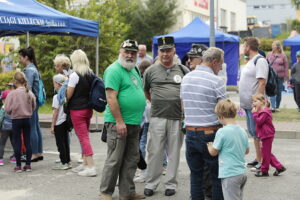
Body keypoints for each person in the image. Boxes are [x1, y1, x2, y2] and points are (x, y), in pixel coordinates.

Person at [100, 39, 146, 200]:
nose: (129, 55)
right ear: (120, 52)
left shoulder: (134, 69)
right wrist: (119, 121)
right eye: (126, 52)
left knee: (131, 159)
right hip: (118, 122)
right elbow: (111, 98)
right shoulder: (113, 70)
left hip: (134, 122)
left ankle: (127, 193)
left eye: (133, 52)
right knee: (115, 159)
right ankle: (106, 192)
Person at [143, 36, 189, 197]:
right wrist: (156, 101)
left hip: (177, 118)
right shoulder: (150, 71)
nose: (165, 54)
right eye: (162, 50)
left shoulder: (183, 70)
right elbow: (146, 91)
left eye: (168, 50)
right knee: (155, 151)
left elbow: (188, 92)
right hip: (157, 117)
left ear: (174, 50)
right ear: (158, 51)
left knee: (173, 153)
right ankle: (151, 183)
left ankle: (171, 184)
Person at [181, 47, 225, 200]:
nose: (221, 68)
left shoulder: (186, 78)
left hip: (190, 132)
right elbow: (224, 111)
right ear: (214, 62)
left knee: (195, 176)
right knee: (216, 176)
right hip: (210, 133)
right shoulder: (216, 81)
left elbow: (183, 106)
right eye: (220, 64)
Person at [207, 99, 249, 200]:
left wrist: (210, 146)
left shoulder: (222, 132)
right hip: (242, 172)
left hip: (229, 173)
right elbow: (247, 150)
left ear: (221, 116)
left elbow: (214, 152)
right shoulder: (242, 130)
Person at [239, 37, 268, 171]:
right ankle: (258, 158)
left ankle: (262, 161)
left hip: (254, 105)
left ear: (248, 47)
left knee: (258, 133)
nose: (242, 48)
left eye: (244, 45)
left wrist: (257, 104)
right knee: (253, 132)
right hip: (247, 104)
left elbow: (262, 82)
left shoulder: (260, 60)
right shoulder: (250, 61)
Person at [67, 49, 96, 177]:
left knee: (83, 138)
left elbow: (68, 95)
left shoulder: (74, 75)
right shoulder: (90, 73)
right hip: (88, 109)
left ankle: (90, 167)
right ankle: (85, 163)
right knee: (85, 136)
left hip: (77, 110)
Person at [5, 72, 36, 172]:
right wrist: (29, 111)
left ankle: (18, 165)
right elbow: (34, 105)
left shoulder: (12, 94)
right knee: (27, 141)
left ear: (15, 81)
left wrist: (12, 112)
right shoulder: (29, 92)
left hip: (16, 120)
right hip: (27, 119)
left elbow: (7, 108)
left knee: (17, 142)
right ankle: (28, 165)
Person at [251, 94, 286, 177]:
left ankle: (264, 170)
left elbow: (259, 122)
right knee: (266, 152)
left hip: (267, 135)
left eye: (255, 101)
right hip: (265, 135)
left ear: (262, 102)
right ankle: (279, 167)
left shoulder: (264, 112)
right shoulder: (262, 111)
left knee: (265, 154)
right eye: (252, 101)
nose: (253, 103)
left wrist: (255, 114)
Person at [19, 46, 43, 162]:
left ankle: (33, 153)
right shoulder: (34, 69)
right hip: (36, 101)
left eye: (21, 57)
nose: (20, 60)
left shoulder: (29, 70)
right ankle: (38, 152)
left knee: (32, 128)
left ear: (26, 57)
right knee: (36, 127)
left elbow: (27, 88)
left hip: (31, 102)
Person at [51, 74, 71, 170]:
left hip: (58, 123)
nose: (53, 85)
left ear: (57, 84)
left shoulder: (56, 97)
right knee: (66, 142)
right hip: (65, 121)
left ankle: (63, 163)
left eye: (54, 83)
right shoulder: (66, 94)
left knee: (60, 144)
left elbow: (55, 112)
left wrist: (52, 125)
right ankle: (68, 161)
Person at [266, 40, 289, 112]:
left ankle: (277, 106)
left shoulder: (283, 55)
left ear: (277, 46)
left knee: (279, 92)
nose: (272, 46)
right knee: (272, 90)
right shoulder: (269, 54)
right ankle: (273, 107)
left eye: (274, 45)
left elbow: (286, 67)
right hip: (271, 76)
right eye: (272, 45)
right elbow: (265, 64)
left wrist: (286, 77)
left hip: (280, 76)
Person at [0, 90, 15, 165]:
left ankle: (1, 159)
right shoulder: (15, 107)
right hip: (14, 128)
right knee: (14, 143)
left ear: (4, 100)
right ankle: (14, 158)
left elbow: (0, 118)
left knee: (2, 143)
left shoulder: (3, 108)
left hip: (5, 128)